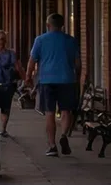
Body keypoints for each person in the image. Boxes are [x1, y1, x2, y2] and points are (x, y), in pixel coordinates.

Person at [27, 13, 81, 157]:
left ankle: (52, 145)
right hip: (67, 79)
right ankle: (63, 135)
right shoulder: (71, 41)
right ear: (63, 25)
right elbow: (78, 64)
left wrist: (28, 77)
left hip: (47, 80)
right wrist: (76, 77)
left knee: (50, 113)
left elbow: (32, 61)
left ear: (47, 25)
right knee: (65, 111)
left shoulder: (40, 40)